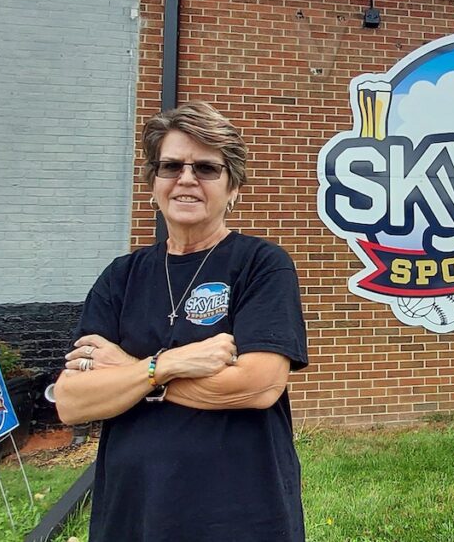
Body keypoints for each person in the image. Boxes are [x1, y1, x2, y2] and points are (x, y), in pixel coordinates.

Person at [54, 102, 308, 541]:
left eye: (206, 168)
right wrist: (164, 365)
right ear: (153, 184)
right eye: (171, 166)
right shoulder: (121, 276)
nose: (186, 179)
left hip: (239, 513)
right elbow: (73, 400)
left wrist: (128, 373)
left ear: (233, 188)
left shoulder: (261, 266)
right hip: (133, 513)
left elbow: (260, 384)